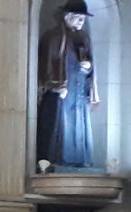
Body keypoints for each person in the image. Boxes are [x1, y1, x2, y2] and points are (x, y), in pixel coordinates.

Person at [37, 0, 99, 168]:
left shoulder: (83, 38)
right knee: (60, 127)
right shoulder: (53, 37)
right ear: (67, 17)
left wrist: (87, 68)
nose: (81, 22)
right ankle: (55, 161)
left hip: (78, 91)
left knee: (78, 125)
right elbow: (47, 64)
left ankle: (80, 160)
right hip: (61, 92)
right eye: (78, 18)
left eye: (83, 19)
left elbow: (89, 64)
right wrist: (54, 85)